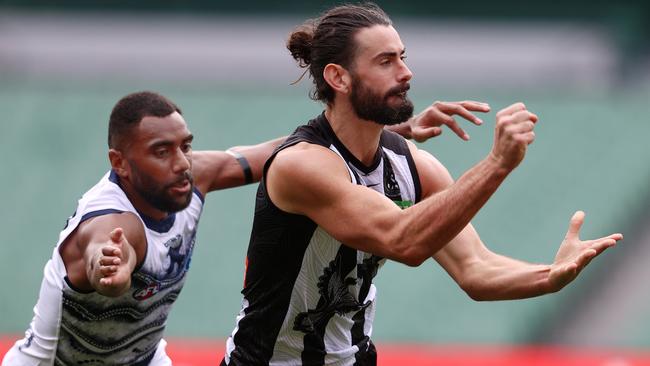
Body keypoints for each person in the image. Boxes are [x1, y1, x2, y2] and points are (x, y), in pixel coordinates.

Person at [221, 3, 623, 365]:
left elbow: (476, 270)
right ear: (338, 78)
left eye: (403, 57)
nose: (406, 72)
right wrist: (497, 164)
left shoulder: (414, 166)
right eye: (385, 61)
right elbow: (403, 241)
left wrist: (550, 276)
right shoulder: (303, 165)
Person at [0, 86, 471, 365]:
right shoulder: (111, 224)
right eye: (161, 152)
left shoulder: (195, 174)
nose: (182, 162)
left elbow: (280, 154)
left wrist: (383, 134)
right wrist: (112, 270)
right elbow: (107, 255)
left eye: (185, 145)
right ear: (119, 163)